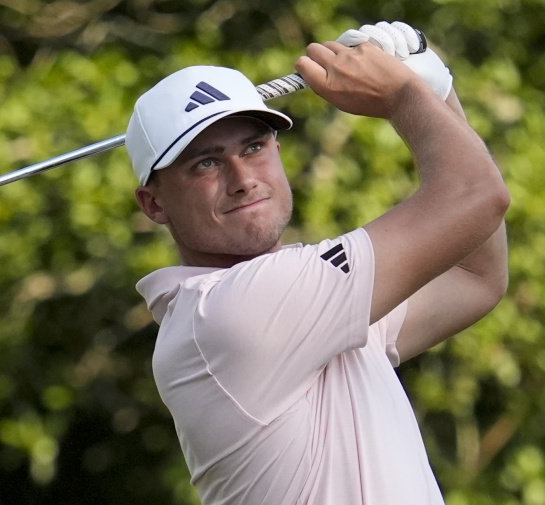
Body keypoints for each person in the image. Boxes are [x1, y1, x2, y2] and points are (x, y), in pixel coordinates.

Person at [125, 21, 510, 504]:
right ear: (154, 205)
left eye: (253, 147)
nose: (243, 178)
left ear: (278, 150)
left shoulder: (313, 303)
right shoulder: (227, 312)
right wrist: (410, 94)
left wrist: (434, 94)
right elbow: (477, 196)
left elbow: (475, 276)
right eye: (205, 163)